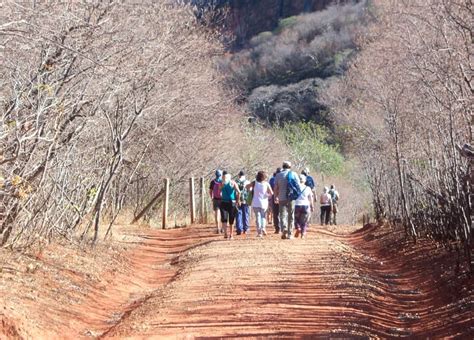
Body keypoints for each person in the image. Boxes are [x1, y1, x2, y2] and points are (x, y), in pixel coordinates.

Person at [274, 161, 298, 239]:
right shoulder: (294, 174)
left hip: (281, 198)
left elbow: (276, 187)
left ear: (283, 166)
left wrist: (275, 196)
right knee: (291, 215)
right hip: (291, 198)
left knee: (282, 215)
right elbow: (298, 186)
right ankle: (290, 234)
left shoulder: (278, 175)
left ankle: (284, 229)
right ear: (290, 167)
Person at [248, 171, 273, 237]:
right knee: (263, 216)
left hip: (256, 202)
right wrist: (266, 195)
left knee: (258, 217)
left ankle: (259, 232)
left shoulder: (254, 183)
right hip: (264, 202)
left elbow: (246, 187)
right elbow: (271, 193)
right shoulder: (266, 184)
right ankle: (263, 228)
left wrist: (250, 190)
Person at [219, 172, 241, 239]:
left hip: (230, 202)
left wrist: (238, 200)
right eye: (223, 177)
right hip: (226, 202)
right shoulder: (223, 183)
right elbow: (219, 191)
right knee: (225, 218)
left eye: (224, 177)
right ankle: (227, 234)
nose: (223, 178)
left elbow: (239, 192)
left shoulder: (232, 183)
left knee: (229, 219)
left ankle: (230, 234)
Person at [294, 174, 314, 238]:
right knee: (304, 220)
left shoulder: (295, 187)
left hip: (297, 205)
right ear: (304, 181)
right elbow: (311, 197)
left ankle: (298, 227)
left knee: (296, 219)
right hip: (305, 205)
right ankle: (303, 233)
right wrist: (312, 206)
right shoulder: (308, 188)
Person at [235, 170, 250, 235]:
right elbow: (250, 190)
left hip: (237, 200)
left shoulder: (236, 182)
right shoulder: (247, 182)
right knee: (246, 214)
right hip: (245, 200)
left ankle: (239, 229)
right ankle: (245, 229)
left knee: (238, 214)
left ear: (239, 175)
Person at [209, 169, 223, 233]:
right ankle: (223, 228)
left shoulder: (213, 182)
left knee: (217, 214)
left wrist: (212, 197)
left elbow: (210, 191)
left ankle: (217, 228)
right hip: (223, 199)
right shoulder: (223, 181)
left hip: (215, 199)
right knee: (223, 214)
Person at [269, 168, 281, 233]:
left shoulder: (272, 179)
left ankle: (277, 228)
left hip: (275, 197)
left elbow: (270, 189)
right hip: (282, 197)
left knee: (275, 213)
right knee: (282, 213)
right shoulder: (283, 178)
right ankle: (281, 227)